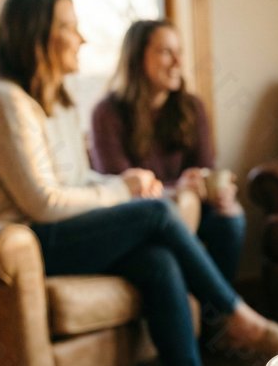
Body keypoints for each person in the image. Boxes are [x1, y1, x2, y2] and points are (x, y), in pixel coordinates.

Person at [0, 0, 278, 366]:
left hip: (42, 231)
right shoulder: (2, 101)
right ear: (35, 36)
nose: (81, 38)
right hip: (9, 245)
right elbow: (42, 203)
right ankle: (240, 319)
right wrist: (124, 189)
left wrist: (122, 184)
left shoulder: (53, 102)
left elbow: (74, 182)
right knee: (155, 214)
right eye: (68, 26)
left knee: (156, 258)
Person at [90, 20, 245, 282]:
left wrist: (218, 193)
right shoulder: (107, 112)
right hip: (140, 215)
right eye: (165, 52)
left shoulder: (192, 107)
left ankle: (214, 319)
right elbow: (119, 186)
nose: (177, 62)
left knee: (231, 221)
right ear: (138, 58)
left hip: (193, 207)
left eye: (179, 52)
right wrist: (177, 188)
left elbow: (205, 166)